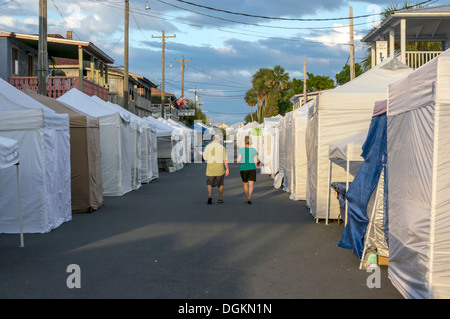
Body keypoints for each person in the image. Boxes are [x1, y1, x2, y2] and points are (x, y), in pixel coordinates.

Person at [202, 134, 229, 204]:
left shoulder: (208, 147)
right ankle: (220, 199)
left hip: (210, 168)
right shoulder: (222, 147)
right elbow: (225, 159)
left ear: (213, 139)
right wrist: (227, 169)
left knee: (209, 183)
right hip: (219, 168)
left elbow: (204, 157)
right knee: (221, 184)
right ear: (218, 140)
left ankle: (210, 196)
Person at [236, 136, 259, 204]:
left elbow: (238, 160)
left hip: (243, 168)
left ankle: (247, 198)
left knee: (245, 184)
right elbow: (256, 160)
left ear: (244, 141)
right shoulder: (254, 150)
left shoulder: (241, 150)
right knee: (251, 184)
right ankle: (249, 197)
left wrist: (236, 160)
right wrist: (258, 161)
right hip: (252, 168)